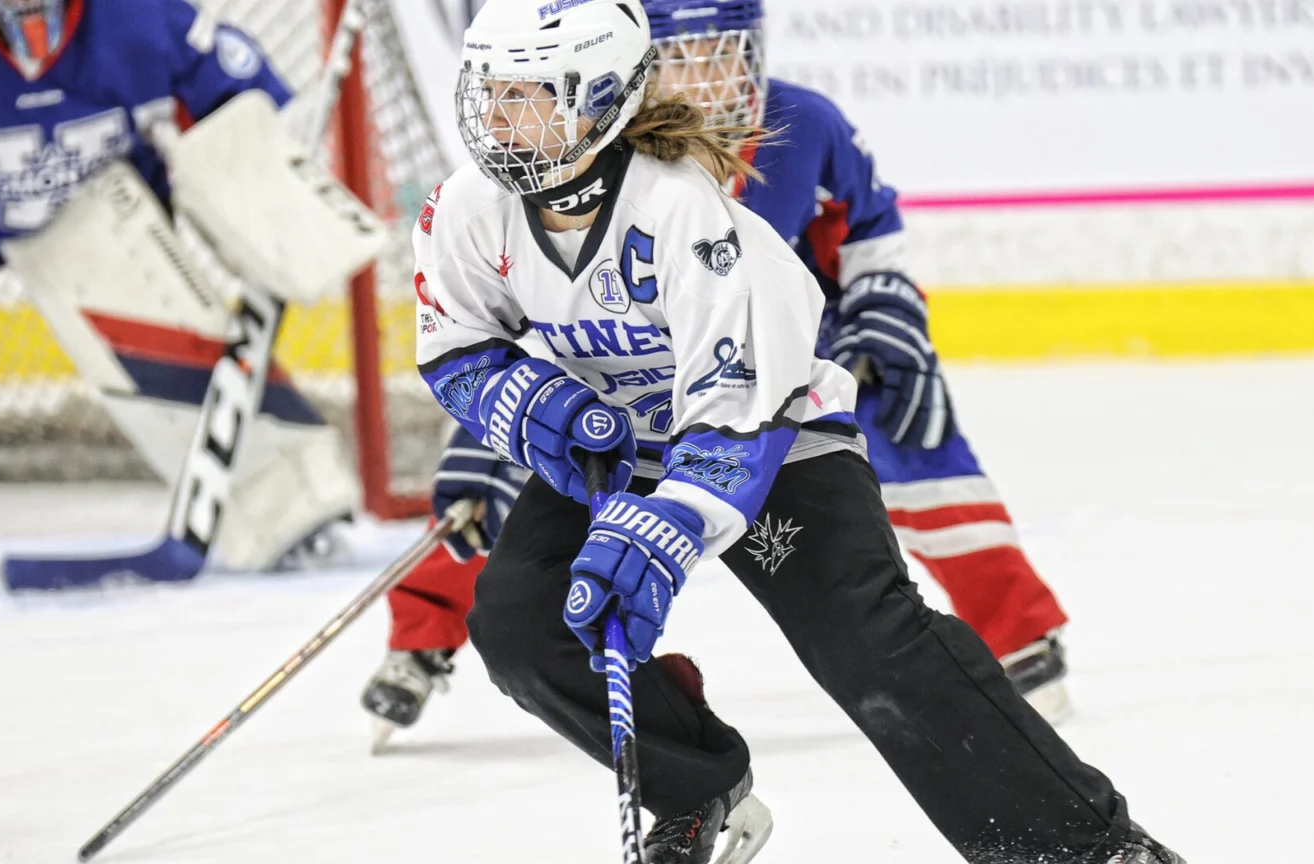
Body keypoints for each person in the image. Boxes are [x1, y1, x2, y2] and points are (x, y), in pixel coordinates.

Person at [412, 2, 1185, 863]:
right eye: (489, 90)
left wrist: (667, 528)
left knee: (871, 643)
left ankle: (1087, 848)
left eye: (526, 93)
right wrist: (530, 406)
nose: (496, 115)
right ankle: (696, 787)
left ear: (597, 99)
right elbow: (456, 345)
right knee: (521, 628)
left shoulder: (682, 213)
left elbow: (739, 409)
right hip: (620, 445)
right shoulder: (466, 208)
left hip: (770, 438)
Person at [361, 0, 1071, 735]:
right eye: (684, 54)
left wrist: (885, 309)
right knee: (528, 467)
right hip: (620, 376)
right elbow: (526, 323)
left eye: (724, 50)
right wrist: (492, 432)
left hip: (774, 364)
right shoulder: (581, 153)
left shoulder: (803, 124)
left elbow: (867, 231)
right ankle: (421, 635)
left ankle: (1017, 627)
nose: (708, 75)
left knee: (904, 417)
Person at [0, 0, 356, 570]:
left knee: (161, 333)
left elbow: (245, 104)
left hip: (100, 221)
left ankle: (287, 502)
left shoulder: (142, 19)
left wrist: (267, 167)